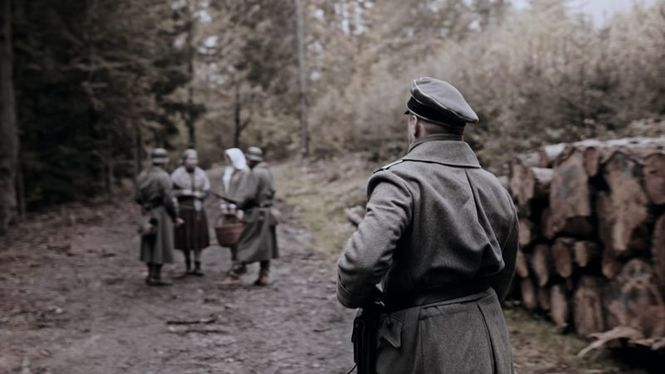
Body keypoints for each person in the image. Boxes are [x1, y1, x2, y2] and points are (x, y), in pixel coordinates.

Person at [336, 77, 518, 373]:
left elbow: (361, 264)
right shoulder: (495, 186)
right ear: (459, 129)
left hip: (424, 342)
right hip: (487, 331)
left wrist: (356, 296)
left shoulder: (400, 181)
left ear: (416, 124)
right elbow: (505, 271)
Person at [222, 146, 279, 287]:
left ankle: (234, 275)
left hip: (255, 213)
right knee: (266, 245)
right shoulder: (267, 171)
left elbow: (249, 195)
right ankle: (263, 275)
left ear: (252, 160)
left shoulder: (253, 173)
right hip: (266, 211)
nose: (246, 161)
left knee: (244, 243)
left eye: (248, 158)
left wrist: (240, 204)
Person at [135, 148, 181, 286]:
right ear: (164, 160)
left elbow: (137, 197)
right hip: (161, 212)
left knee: (149, 242)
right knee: (160, 243)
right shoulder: (164, 177)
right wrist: (175, 216)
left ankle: (150, 274)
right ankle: (156, 276)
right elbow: (168, 199)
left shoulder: (142, 175)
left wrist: (146, 205)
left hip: (147, 212)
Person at [171, 149, 211, 276]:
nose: (193, 162)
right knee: (185, 239)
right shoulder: (177, 175)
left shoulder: (201, 174)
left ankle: (198, 264)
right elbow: (170, 192)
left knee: (198, 237)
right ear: (184, 160)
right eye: (190, 159)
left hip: (198, 209)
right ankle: (188, 264)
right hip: (184, 210)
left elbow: (207, 191)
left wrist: (202, 194)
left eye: (195, 159)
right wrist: (184, 192)